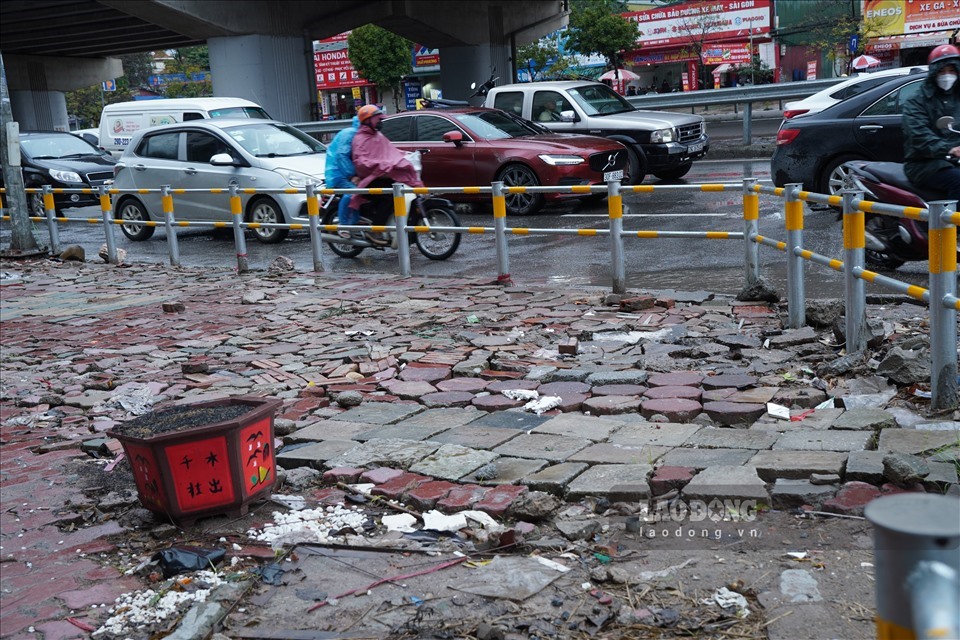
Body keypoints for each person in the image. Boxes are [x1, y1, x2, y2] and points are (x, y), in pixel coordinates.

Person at [349, 104, 424, 246]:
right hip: (370, 179)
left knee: (399, 191)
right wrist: (381, 165)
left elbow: (390, 151)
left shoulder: (378, 136)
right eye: (377, 119)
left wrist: (406, 156)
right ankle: (375, 230)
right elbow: (361, 163)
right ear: (367, 120)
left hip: (382, 176)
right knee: (388, 198)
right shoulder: (360, 139)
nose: (380, 122)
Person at [903, 44, 960, 200]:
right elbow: (919, 135)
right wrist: (950, 149)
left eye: (952, 70)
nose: (947, 75)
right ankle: (950, 223)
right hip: (924, 164)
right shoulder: (917, 100)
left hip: (954, 162)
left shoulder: (957, 97)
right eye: (942, 71)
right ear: (933, 72)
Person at [323, 115, 360, 238]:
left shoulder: (361, 134)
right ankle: (344, 225)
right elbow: (341, 156)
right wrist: (352, 175)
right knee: (353, 192)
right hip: (337, 172)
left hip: (347, 171)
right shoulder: (350, 134)